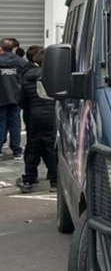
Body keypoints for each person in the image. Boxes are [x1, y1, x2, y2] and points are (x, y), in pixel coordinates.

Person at [15, 47, 55, 193]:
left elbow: (22, 100)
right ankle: (55, 180)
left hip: (34, 115)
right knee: (52, 147)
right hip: (52, 114)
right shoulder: (54, 76)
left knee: (33, 146)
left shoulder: (27, 76)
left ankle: (29, 178)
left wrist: (30, 109)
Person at [0, 37, 26, 160]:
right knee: (15, 124)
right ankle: (16, 151)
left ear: (1, 48)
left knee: (1, 123)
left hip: (1, 97)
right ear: (13, 48)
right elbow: (25, 78)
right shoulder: (21, 62)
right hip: (16, 97)